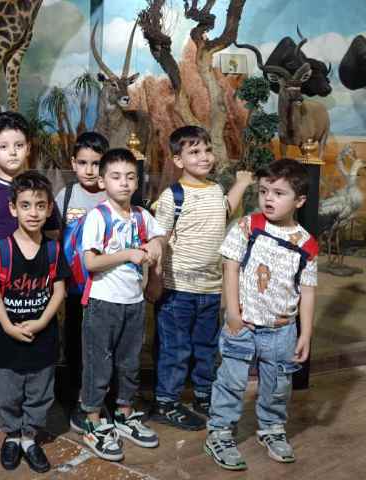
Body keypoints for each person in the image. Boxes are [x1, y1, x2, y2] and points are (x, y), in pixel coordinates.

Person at [205, 159, 317, 471]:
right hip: (244, 325)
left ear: (299, 201)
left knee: (278, 385)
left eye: (279, 193)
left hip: (282, 330)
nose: (268, 198)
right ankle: (219, 432)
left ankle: (272, 428)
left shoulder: (307, 244)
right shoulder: (248, 226)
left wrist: (306, 333)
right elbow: (230, 267)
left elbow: (308, 291)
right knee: (231, 382)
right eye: (265, 191)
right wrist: (232, 313)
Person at [0, 111, 60, 437]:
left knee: (19, 339)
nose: (12, 152)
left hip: (27, 283)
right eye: (4, 146)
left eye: (19, 145)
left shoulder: (40, 189)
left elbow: (53, 237)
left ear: (28, 147)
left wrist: (47, 279)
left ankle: (19, 400)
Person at [148, 126, 253, 431]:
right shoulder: (173, 196)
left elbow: (225, 209)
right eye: (194, 152)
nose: (204, 157)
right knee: (176, 349)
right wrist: (155, 279)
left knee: (206, 347)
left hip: (210, 290)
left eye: (207, 150)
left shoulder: (216, 190)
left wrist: (241, 184)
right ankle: (166, 401)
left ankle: (203, 395)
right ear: (178, 160)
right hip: (177, 290)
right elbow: (160, 239)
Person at [77, 148, 165, 462]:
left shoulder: (142, 216)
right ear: (102, 182)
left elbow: (160, 240)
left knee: (129, 362)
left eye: (130, 177)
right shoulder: (97, 216)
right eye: (116, 177)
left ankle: (124, 414)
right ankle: (93, 421)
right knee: (98, 364)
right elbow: (90, 262)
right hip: (103, 303)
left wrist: (156, 249)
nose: (124, 183)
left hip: (134, 303)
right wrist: (128, 254)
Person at [0, 171, 70, 473]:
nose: (33, 213)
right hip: (6, 337)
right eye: (25, 205)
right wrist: (8, 326)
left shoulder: (53, 249)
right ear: (13, 208)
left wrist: (42, 321)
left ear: (49, 209)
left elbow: (59, 291)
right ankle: (11, 435)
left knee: (40, 393)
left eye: (40, 206)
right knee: (8, 393)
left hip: (42, 337)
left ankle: (29, 437)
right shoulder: (1, 249)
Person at [54, 131, 108, 396]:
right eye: (83, 163)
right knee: (74, 336)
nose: (89, 170)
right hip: (74, 284)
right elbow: (55, 238)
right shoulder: (65, 196)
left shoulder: (112, 195)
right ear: (73, 163)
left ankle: (100, 392)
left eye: (96, 163)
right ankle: (73, 391)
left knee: (103, 340)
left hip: (105, 284)